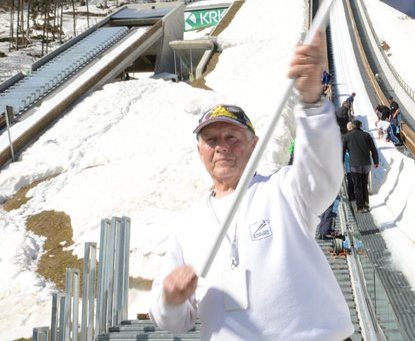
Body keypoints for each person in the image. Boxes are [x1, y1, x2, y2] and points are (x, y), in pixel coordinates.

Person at [149, 32, 354, 340]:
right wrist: (171, 300)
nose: (221, 147)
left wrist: (312, 103)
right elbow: (173, 320)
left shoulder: (282, 189)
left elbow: (322, 176)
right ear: (200, 151)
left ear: (253, 145)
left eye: (232, 138)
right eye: (211, 140)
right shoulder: (186, 227)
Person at [342, 119, 379, 213]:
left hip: (355, 164)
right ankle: (366, 203)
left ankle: (360, 207)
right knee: (364, 183)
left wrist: (341, 162)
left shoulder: (347, 136)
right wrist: (376, 161)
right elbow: (373, 149)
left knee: (357, 186)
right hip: (366, 164)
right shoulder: (366, 135)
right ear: (360, 126)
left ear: (352, 126)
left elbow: (342, 151)